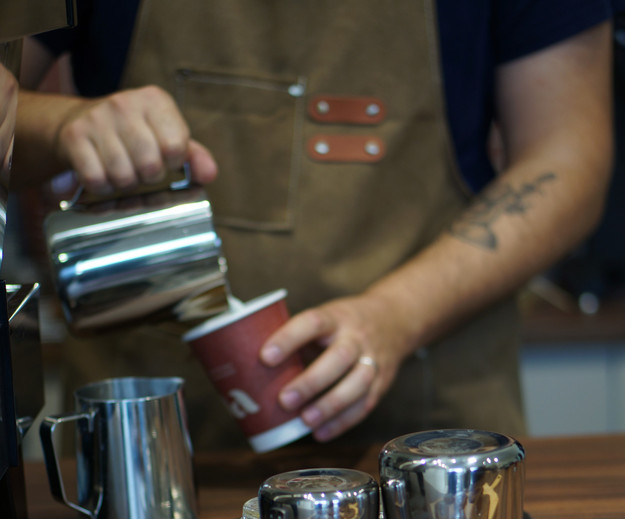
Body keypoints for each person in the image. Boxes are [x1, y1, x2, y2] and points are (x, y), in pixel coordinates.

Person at [12, 1, 620, 451]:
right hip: (146, 460)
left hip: (426, 457)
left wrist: (396, 314)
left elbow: (568, 160)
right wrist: (60, 125)